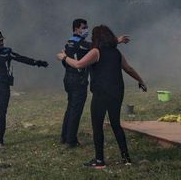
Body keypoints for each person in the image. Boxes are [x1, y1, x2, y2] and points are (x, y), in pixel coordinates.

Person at [56, 25, 146, 169]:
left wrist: (65, 57)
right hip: (117, 92)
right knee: (116, 124)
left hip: (101, 93)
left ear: (96, 38)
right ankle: (126, 158)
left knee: (97, 126)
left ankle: (99, 161)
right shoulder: (116, 52)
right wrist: (141, 80)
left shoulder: (96, 52)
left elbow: (78, 64)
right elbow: (128, 68)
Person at [60, 18, 130, 148]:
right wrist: (116, 40)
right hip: (78, 79)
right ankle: (71, 140)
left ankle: (64, 136)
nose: (86, 30)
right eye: (83, 28)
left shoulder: (69, 42)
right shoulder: (81, 43)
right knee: (76, 110)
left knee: (70, 108)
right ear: (76, 29)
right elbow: (98, 47)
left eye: (86, 27)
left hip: (68, 78)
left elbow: (65, 61)